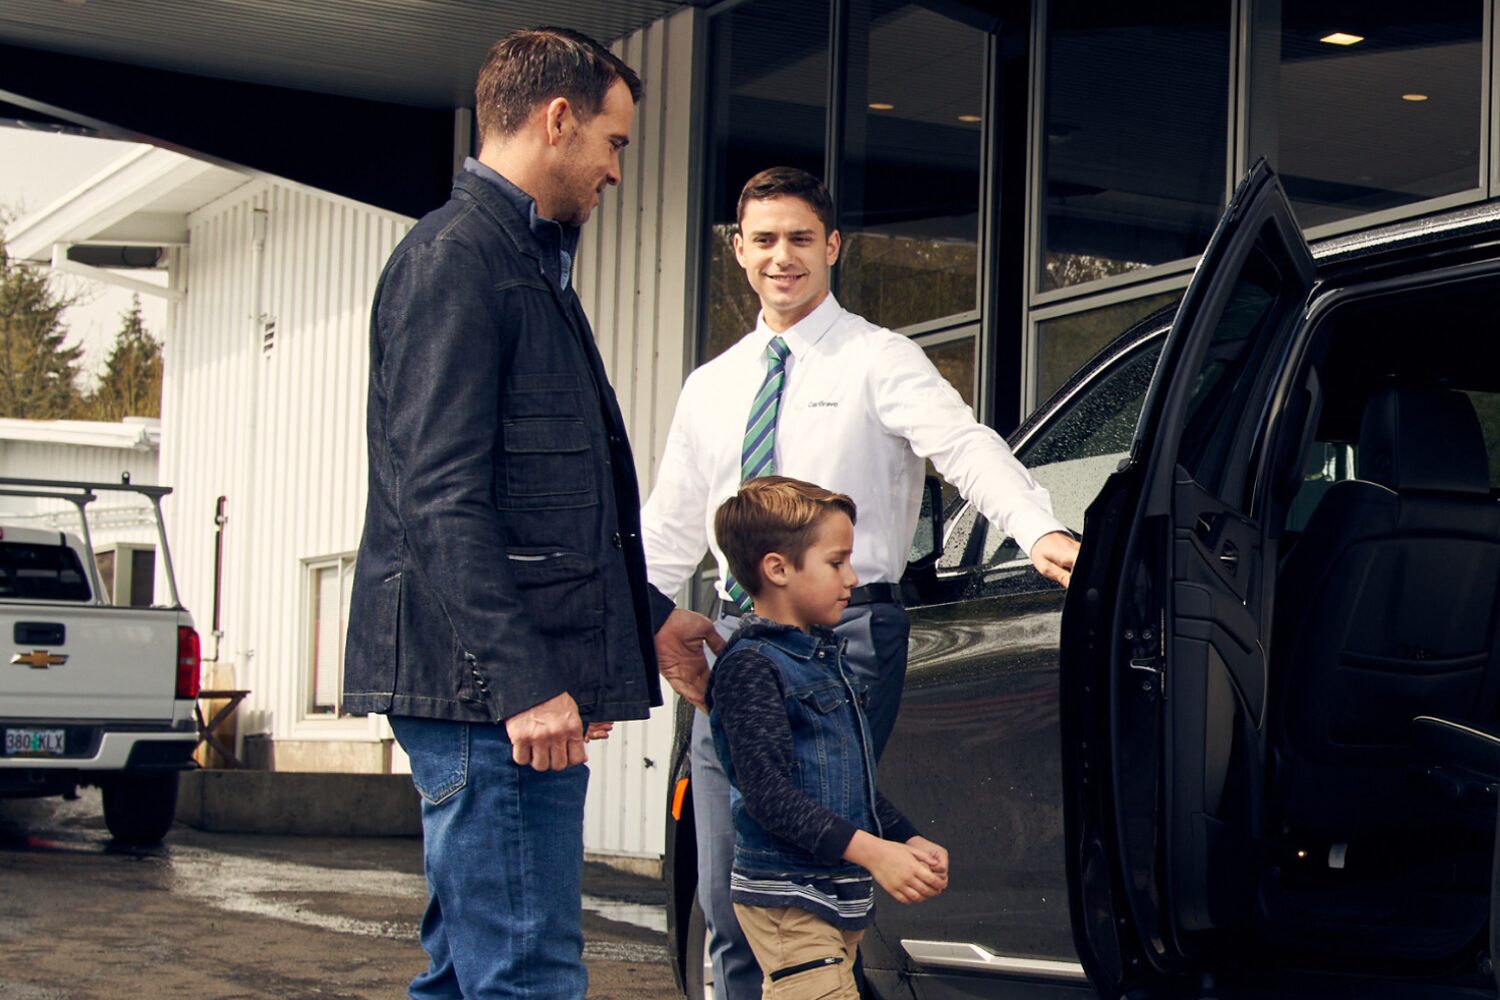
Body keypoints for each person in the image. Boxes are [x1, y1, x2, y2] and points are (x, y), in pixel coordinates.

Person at [640, 165, 1080, 998]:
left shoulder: (879, 360)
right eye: (764, 240)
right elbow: (665, 530)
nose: (782, 257)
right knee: (727, 892)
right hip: (734, 638)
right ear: (738, 250)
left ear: (833, 246)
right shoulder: (712, 387)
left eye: (801, 239)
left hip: (843, 642)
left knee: (809, 881)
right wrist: (646, 630)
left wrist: (1038, 526)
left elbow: (964, 444)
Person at [342, 27, 717, 1000]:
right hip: (488, 701)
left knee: (470, 971)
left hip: (495, 693)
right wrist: (519, 681)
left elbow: (542, 505)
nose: (616, 170)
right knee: (528, 973)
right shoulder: (461, 261)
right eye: (615, 141)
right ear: (558, 119)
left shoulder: (518, 260)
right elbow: (440, 492)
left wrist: (648, 620)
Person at [707, 476, 948, 1000]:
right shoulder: (750, 668)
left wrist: (904, 837)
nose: (852, 577)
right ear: (777, 569)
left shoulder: (822, 662)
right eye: (836, 563)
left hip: (830, 895)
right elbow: (768, 796)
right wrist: (873, 854)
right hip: (788, 898)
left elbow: (848, 781)